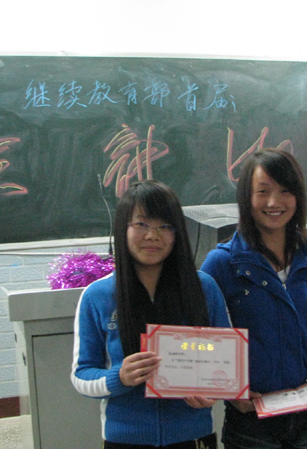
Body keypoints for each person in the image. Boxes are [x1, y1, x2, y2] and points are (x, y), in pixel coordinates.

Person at [201, 148, 307, 449]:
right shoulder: (222, 264)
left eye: (285, 191)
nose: (274, 202)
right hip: (252, 421)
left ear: (298, 196)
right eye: (263, 191)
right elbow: (201, 337)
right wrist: (230, 391)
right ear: (247, 198)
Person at [71, 180, 231, 449]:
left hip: (193, 435)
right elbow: (81, 375)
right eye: (142, 224)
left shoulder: (204, 288)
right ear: (123, 228)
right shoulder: (97, 295)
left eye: (165, 226)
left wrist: (213, 391)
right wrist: (119, 378)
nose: (153, 236)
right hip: (125, 439)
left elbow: (227, 359)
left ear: (177, 233)